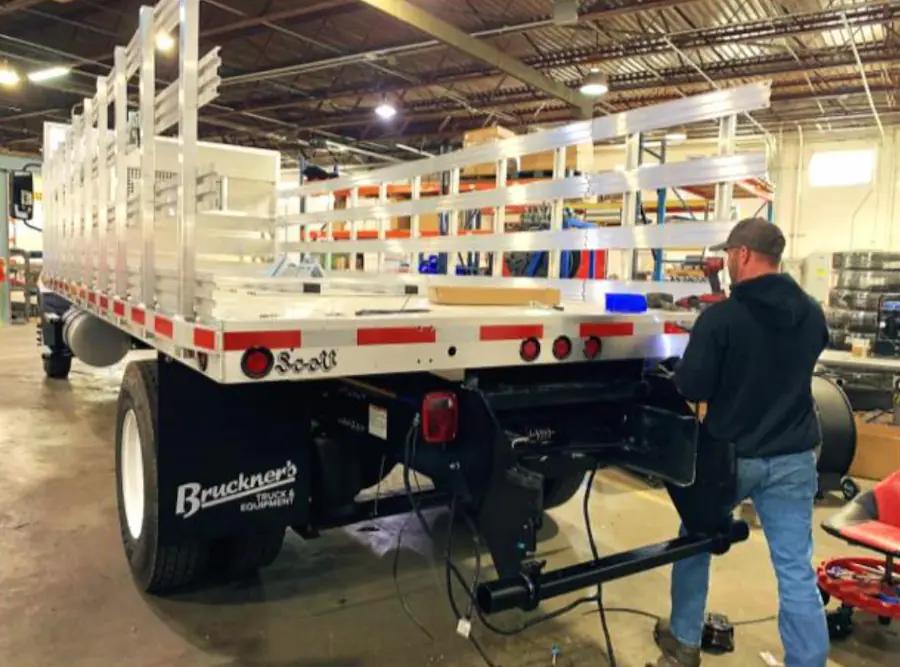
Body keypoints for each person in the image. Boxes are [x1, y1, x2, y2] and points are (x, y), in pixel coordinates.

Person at [651, 218, 830, 667]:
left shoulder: (722, 318)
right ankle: (807, 661)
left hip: (732, 458)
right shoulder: (810, 311)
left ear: (743, 255)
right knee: (795, 569)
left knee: (695, 538)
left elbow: (693, 386)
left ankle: (685, 641)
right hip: (794, 456)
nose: (727, 262)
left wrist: (673, 373)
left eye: (729, 254)